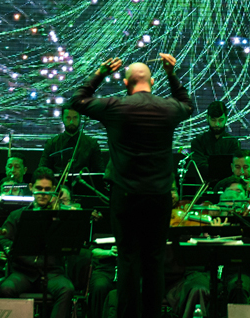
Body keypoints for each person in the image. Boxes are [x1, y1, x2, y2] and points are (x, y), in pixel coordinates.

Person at [71, 53, 193, 318]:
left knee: (128, 261)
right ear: (152, 81)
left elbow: (78, 101)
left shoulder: (116, 106)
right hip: (159, 197)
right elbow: (187, 104)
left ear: (126, 83)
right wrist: (172, 74)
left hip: (125, 196)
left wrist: (100, 73)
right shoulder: (168, 108)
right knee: (154, 262)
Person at [0, 167, 75, 318]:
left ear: (54, 189)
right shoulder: (17, 215)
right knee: (6, 288)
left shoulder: (61, 216)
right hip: (23, 272)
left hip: (52, 272)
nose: (43, 193)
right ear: (31, 187)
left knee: (67, 289)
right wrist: (11, 250)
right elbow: (3, 236)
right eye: (39, 188)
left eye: (47, 189)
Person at [39, 102, 104, 175]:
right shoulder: (51, 144)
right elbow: (42, 171)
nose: (71, 122)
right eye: (68, 118)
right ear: (62, 118)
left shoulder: (92, 144)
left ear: (80, 118)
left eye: (75, 117)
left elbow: (99, 172)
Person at [190, 101, 241, 179]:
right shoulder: (198, 141)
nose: (217, 124)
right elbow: (199, 167)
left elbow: (234, 168)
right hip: (203, 187)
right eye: (213, 120)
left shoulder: (233, 142)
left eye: (221, 120)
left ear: (226, 119)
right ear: (207, 118)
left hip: (227, 187)